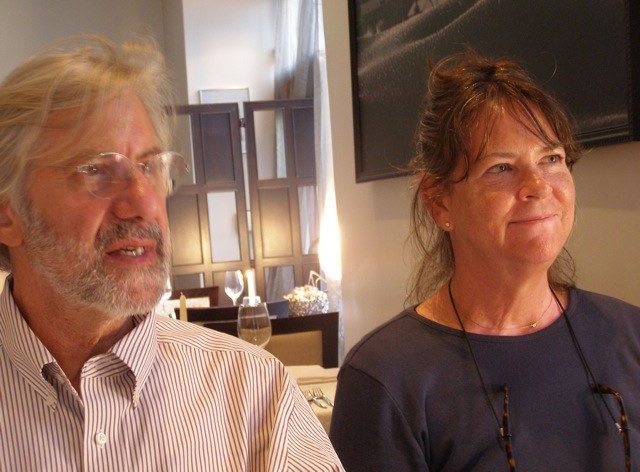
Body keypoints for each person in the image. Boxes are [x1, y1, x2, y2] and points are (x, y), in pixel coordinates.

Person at [0, 35, 343, 471]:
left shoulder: (255, 395)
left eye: (149, 167)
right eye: (95, 171)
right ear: (7, 213)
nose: (145, 203)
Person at [329, 51, 640, 471]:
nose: (537, 186)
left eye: (551, 159)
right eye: (501, 167)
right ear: (439, 202)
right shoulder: (384, 378)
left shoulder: (629, 334)